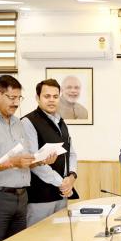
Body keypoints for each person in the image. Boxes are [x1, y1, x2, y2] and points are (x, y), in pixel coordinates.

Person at [0, 75, 55, 241]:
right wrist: (11, 163)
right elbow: (13, 162)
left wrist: (41, 160)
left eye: (19, 98)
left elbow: (26, 159)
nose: (16, 103)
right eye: (11, 97)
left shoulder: (19, 123)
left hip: (22, 197)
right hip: (1, 198)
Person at [21, 79, 79, 227]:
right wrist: (63, 184)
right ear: (37, 98)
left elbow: (71, 153)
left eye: (55, 96)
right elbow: (33, 161)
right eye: (47, 96)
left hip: (61, 195)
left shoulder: (61, 121)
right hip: (39, 197)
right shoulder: (28, 122)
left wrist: (72, 176)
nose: (52, 100)